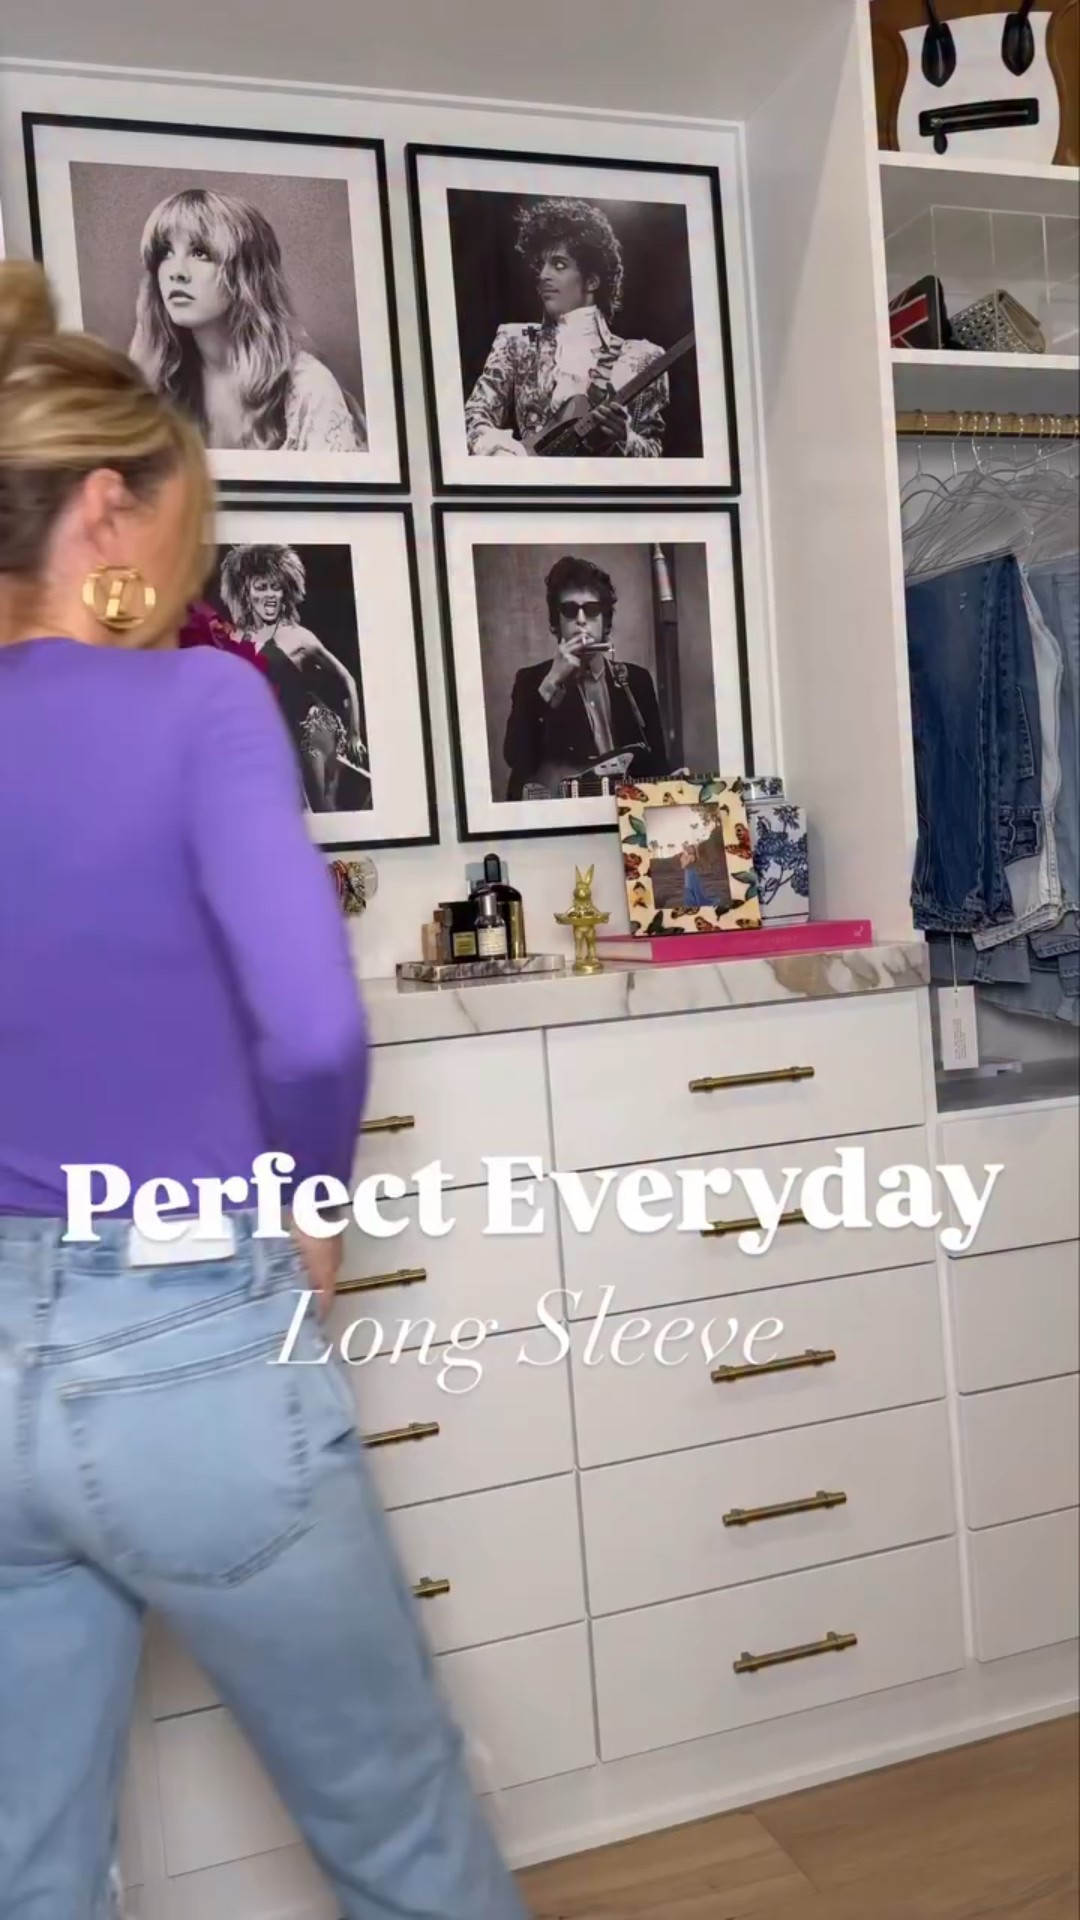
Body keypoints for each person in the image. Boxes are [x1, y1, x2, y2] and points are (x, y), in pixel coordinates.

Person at [0, 261, 526, 1920]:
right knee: (400, 1827)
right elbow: (308, 1032)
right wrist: (307, 1216)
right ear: (105, 506)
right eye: (180, 519)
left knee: (26, 1866)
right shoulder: (202, 702)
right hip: (186, 1336)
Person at [129, 187, 367, 453]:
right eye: (166, 252)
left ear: (246, 275)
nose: (176, 272)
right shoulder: (156, 377)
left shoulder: (308, 389)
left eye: (200, 252)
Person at [465, 197, 669, 458]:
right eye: (541, 265)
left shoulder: (643, 358)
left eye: (559, 265)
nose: (543, 275)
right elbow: (475, 416)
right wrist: (501, 454)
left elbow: (654, 452)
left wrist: (622, 438)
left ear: (592, 281)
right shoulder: (517, 341)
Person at [220, 542, 369, 812]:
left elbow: (347, 679)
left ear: (285, 591)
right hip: (273, 734)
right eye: (261, 587)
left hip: (312, 729)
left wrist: (354, 735)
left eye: (275, 587)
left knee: (322, 809)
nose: (270, 595)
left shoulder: (300, 636)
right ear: (246, 592)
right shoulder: (236, 638)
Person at [503, 554, 667, 799]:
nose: (581, 620)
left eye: (591, 611)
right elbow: (516, 758)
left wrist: (671, 787)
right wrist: (551, 683)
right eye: (570, 611)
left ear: (606, 622)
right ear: (556, 623)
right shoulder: (532, 682)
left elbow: (657, 766)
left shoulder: (637, 681)